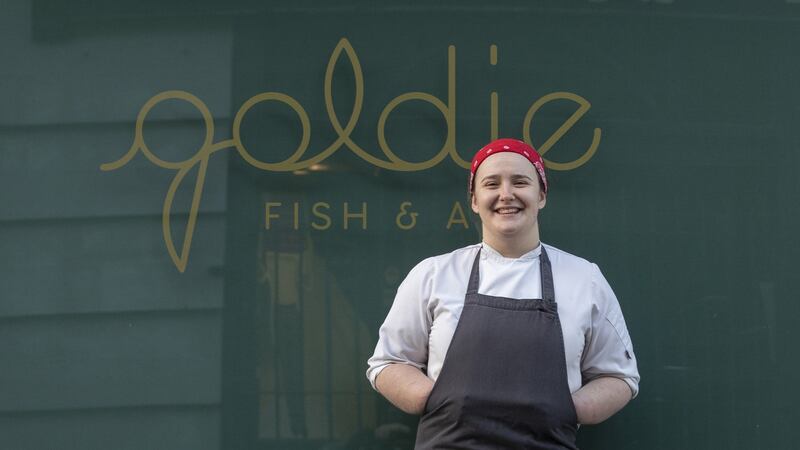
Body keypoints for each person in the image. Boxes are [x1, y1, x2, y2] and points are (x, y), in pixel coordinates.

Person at [366, 138, 640, 449]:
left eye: (520, 182)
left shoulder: (584, 278)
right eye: (491, 183)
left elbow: (620, 378)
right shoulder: (434, 274)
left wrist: (567, 408)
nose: (506, 194)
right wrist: (438, 398)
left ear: (541, 195)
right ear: (474, 199)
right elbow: (387, 363)